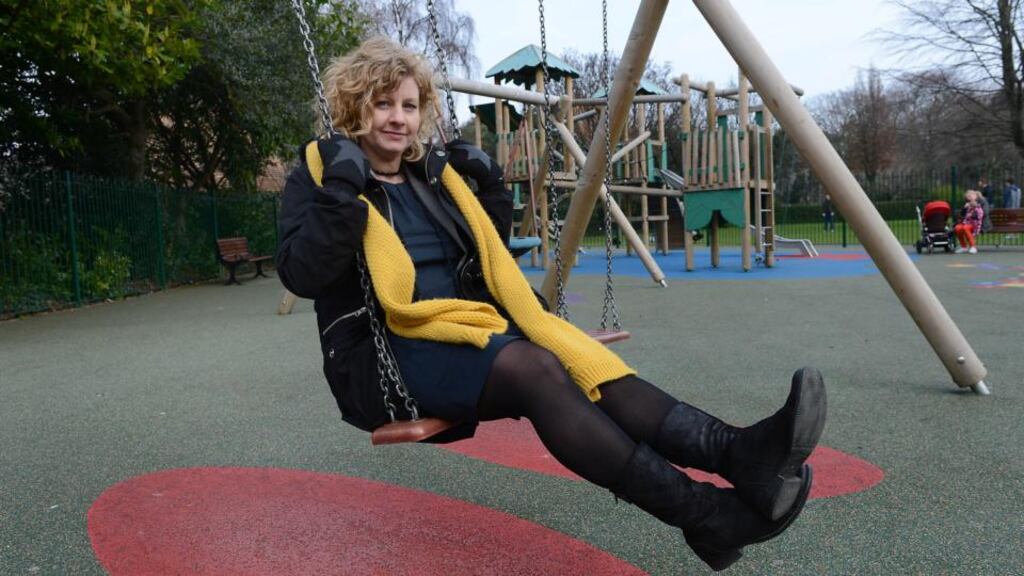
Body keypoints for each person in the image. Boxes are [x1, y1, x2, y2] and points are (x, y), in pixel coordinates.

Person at [276, 37, 826, 572]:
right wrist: (341, 196)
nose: (397, 117)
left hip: (467, 329)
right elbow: (303, 273)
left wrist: (488, 187)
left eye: (409, 105)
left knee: (575, 358)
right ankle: (704, 513)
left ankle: (737, 454)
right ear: (355, 106)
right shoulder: (323, 175)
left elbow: (481, 258)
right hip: (385, 359)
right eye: (382, 104)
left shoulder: (431, 179)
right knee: (535, 366)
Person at [954, 190, 984, 254]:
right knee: (957, 228)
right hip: (966, 223)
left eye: (970, 195)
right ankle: (963, 247)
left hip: (975, 224)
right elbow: (962, 215)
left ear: (975, 196)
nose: (969, 197)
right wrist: (964, 208)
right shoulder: (967, 204)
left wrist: (973, 214)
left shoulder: (979, 202)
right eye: (968, 196)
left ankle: (973, 246)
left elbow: (980, 214)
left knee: (965, 228)